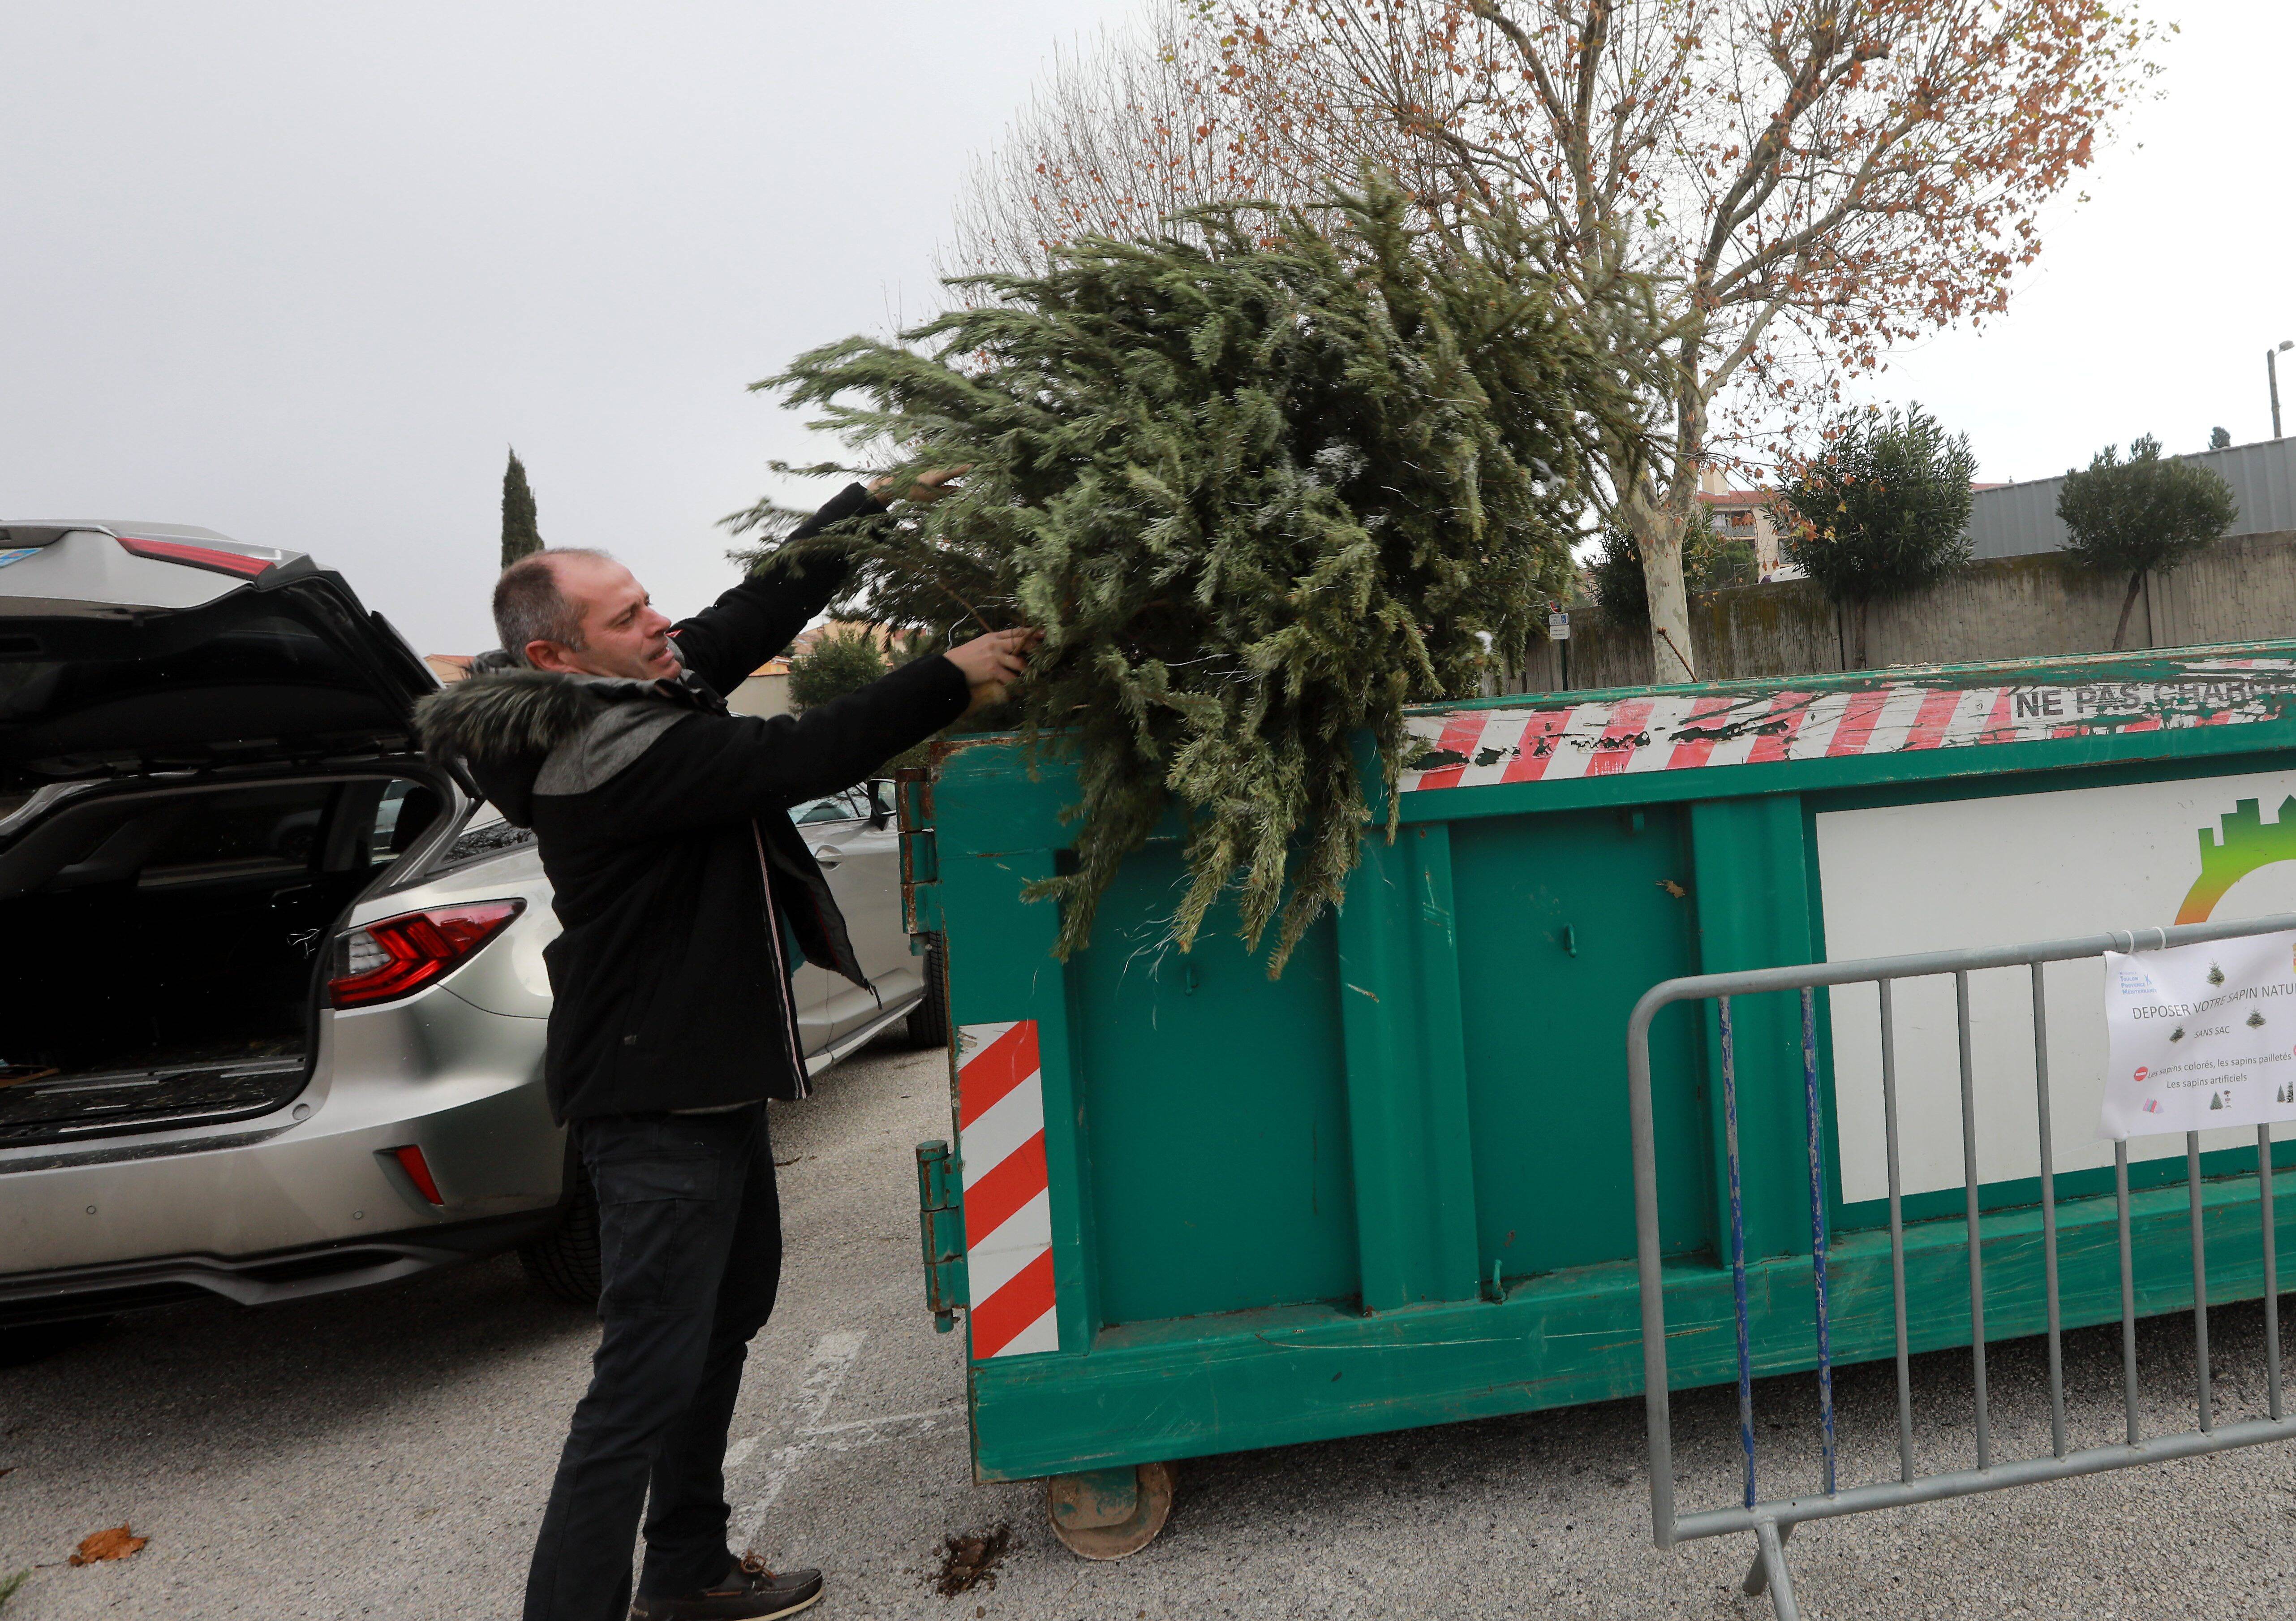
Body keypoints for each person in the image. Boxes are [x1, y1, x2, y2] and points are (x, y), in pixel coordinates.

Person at [414, 470, 1034, 1621]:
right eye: (629, 617)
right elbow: (795, 757)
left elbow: (753, 615)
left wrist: (865, 504)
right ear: (558, 658)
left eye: (649, 602)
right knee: (641, 1378)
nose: (660, 624)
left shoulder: (622, 692)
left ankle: (689, 1568)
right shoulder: (606, 756)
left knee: (721, 1323)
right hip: (656, 1103)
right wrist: (952, 674)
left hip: (706, 1083)